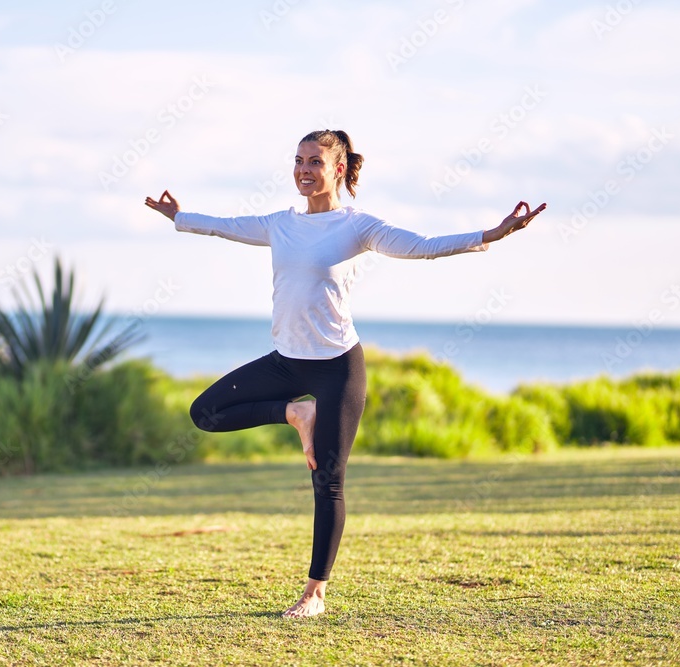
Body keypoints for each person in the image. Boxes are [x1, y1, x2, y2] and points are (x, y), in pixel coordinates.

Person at [144, 129, 546, 618]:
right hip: (285, 362)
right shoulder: (279, 224)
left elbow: (422, 246)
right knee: (204, 412)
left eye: (314, 161)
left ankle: (315, 592)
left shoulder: (357, 226)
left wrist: (491, 234)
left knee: (328, 479)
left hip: (338, 366)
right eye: (298, 160)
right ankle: (294, 413)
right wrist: (179, 217)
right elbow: (225, 225)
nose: (303, 169)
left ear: (338, 168)